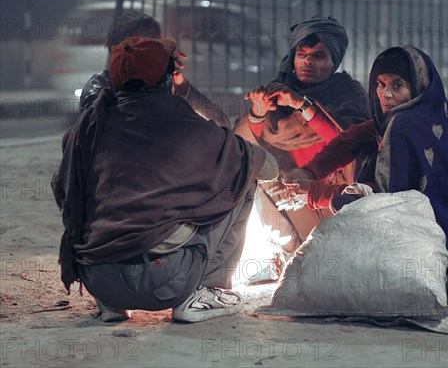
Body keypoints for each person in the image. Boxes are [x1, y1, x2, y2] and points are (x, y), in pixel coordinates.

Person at [52, 37, 278, 323]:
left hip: (99, 279)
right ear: (167, 81)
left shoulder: (87, 126)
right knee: (243, 175)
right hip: (165, 281)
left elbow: (63, 191)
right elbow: (269, 168)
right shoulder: (181, 121)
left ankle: (112, 306)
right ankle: (207, 290)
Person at [283, 46, 448, 275]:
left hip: (437, 240)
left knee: (346, 213)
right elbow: (352, 138)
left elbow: (387, 198)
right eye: (381, 84)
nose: (385, 94)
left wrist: (315, 193)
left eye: (397, 85)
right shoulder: (428, 112)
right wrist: (310, 172)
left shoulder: (406, 123)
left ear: (418, 86)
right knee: (367, 148)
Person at [234, 16, 370, 253]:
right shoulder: (277, 91)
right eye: (302, 54)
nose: (308, 61)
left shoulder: (349, 93)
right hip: (292, 196)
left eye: (318, 56)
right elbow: (247, 144)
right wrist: (259, 111)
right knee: (251, 174)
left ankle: (310, 254)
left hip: (335, 199)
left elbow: (346, 143)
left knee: (329, 252)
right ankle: (288, 251)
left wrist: (303, 105)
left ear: (334, 62)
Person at [79, 11, 231, 128]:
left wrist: (183, 87)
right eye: (152, 46)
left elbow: (221, 123)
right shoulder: (100, 87)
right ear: (118, 51)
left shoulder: (164, 84)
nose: (159, 52)